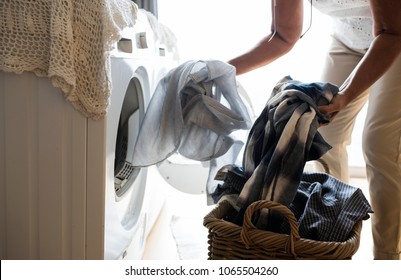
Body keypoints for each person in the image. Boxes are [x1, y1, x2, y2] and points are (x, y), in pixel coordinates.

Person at [228, 0, 401, 260]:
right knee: (326, 138)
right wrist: (222, 71)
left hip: (395, 35)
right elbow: (283, 35)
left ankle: (388, 257)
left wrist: (346, 93)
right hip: (348, 38)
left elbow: (391, 33)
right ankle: (337, 241)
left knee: (379, 146)